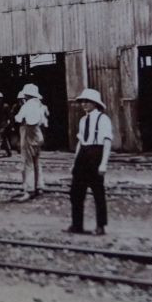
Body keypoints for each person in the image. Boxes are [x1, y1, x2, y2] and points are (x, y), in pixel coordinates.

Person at [67, 87, 113, 235]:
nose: (84, 104)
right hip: (83, 155)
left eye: (87, 101)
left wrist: (104, 163)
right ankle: (77, 225)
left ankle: (101, 226)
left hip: (96, 154)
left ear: (95, 103)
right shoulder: (82, 120)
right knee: (76, 192)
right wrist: (75, 162)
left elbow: (107, 142)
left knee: (98, 192)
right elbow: (80, 142)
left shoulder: (103, 119)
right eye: (82, 101)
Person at [12, 83, 49, 200]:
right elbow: (45, 123)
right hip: (39, 136)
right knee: (37, 163)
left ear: (26, 95)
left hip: (28, 136)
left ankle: (29, 190)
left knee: (27, 164)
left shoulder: (27, 106)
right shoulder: (40, 106)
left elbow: (18, 118)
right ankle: (39, 186)